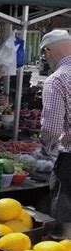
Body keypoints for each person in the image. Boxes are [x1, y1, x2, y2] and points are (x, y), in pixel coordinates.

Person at [39, 30, 71, 236]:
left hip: (69, 161)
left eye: (44, 54)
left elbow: (51, 128)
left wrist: (46, 149)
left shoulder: (57, 80)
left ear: (48, 51)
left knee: (65, 222)